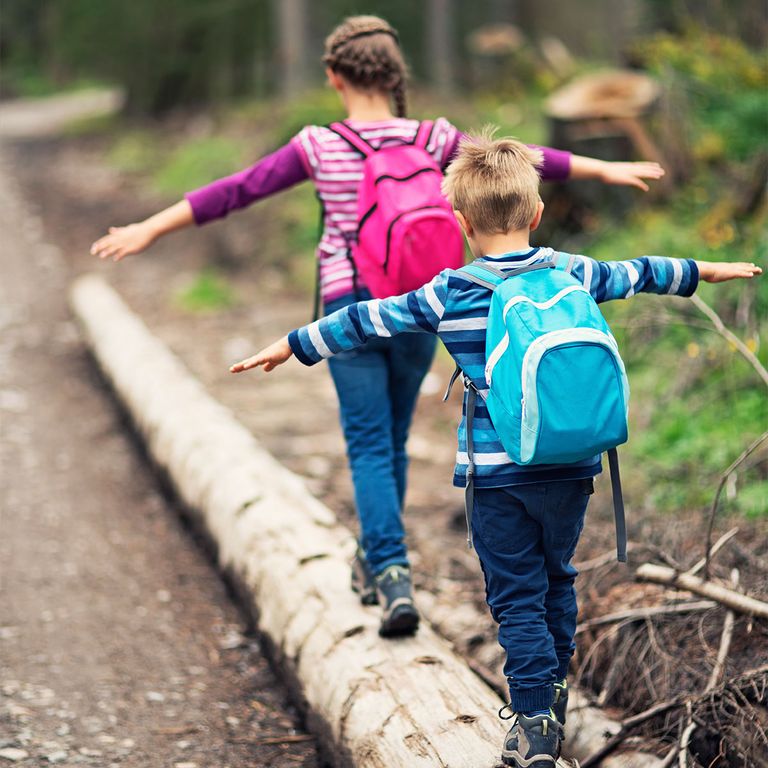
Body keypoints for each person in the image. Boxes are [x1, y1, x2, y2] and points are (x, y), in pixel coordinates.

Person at [91, 15, 669, 639]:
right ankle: (380, 559)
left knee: (368, 442)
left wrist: (150, 227)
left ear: (335, 77)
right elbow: (522, 160)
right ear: (396, 77)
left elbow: (237, 190)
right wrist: (602, 168)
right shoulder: (433, 135)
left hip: (350, 307)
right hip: (420, 305)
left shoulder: (318, 144)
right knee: (392, 437)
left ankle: (390, 570)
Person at [228, 133, 761, 766]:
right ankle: (552, 700)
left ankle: (534, 719)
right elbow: (643, 271)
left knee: (515, 596)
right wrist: (709, 271)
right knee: (557, 581)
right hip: (572, 465)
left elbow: (368, 318)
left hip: (498, 474)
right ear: (537, 213)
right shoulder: (573, 271)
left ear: (459, 221)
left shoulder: (450, 292)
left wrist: (294, 343)